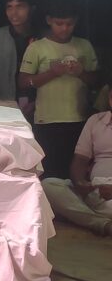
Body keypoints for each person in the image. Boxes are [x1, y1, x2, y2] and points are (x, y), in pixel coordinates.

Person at [18, 5, 98, 179]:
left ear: (76, 21)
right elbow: (23, 82)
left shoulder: (84, 45)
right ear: (49, 20)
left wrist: (81, 73)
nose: (64, 28)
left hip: (79, 119)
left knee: (75, 174)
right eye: (59, 23)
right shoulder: (37, 47)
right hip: (47, 120)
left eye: (69, 24)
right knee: (49, 174)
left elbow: (97, 81)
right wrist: (52, 73)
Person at [40, 91, 112, 237]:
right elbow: (80, 159)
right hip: (96, 190)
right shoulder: (96, 120)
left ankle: (86, 217)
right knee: (48, 186)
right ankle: (103, 224)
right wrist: (80, 183)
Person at [0, 0, 37, 112]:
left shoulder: (43, 36)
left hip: (40, 107)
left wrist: (38, 103)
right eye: (9, 7)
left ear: (32, 9)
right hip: (5, 105)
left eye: (20, 6)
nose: (14, 12)